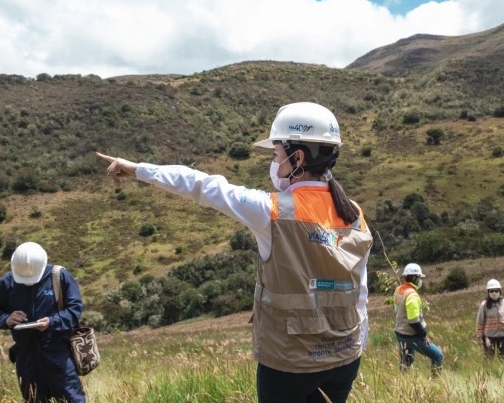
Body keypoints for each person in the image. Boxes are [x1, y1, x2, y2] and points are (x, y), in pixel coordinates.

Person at [97, 101, 372, 403]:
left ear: (298, 158)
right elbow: (359, 289)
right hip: (346, 356)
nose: (274, 162)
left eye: (276, 154)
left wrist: (139, 170)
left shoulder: (272, 210)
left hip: (291, 362)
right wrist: (358, 343)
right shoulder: (354, 214)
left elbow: (202, 185)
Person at [0, 242, 86, 403]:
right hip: (26, 357)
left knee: (70, 399)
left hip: (58, 353)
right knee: (33, 399)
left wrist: (52, 322)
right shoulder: (7, 282)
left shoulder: (59, 276)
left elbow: (75, 309)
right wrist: (7, 319)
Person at [393, 263, 443, 377]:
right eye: (419, 277)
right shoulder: (412, 295)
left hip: (400, 332)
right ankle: (436, 382)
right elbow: (413, 321)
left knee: (406, 361)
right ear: (415, 278)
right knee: (437, 355)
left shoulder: (398, 290)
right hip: (411, 334)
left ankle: (403, 382)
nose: (420, 280)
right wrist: (423, 335)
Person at [475, 279, 504, 359]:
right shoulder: (484, 305)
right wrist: (479, 337)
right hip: (489, 337)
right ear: (488, 292)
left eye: (496, 290)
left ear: (500, 291)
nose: (494, 293)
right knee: (488, 359)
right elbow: (480, 322)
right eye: (491, 291)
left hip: (503, 335)